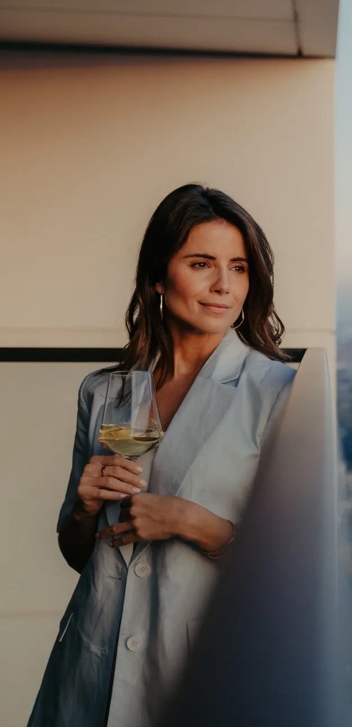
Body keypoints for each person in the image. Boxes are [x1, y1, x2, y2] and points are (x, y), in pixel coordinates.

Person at [29, 184, 296, 727]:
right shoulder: (104, 392)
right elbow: (81, 554)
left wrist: (190, 521)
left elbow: (291, 568)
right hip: (91, 662)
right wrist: (83, 508)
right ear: (158, 276)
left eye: (239, 267)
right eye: (202, 263)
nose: (224, 285)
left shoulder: (279, 393)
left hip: (194, 670)